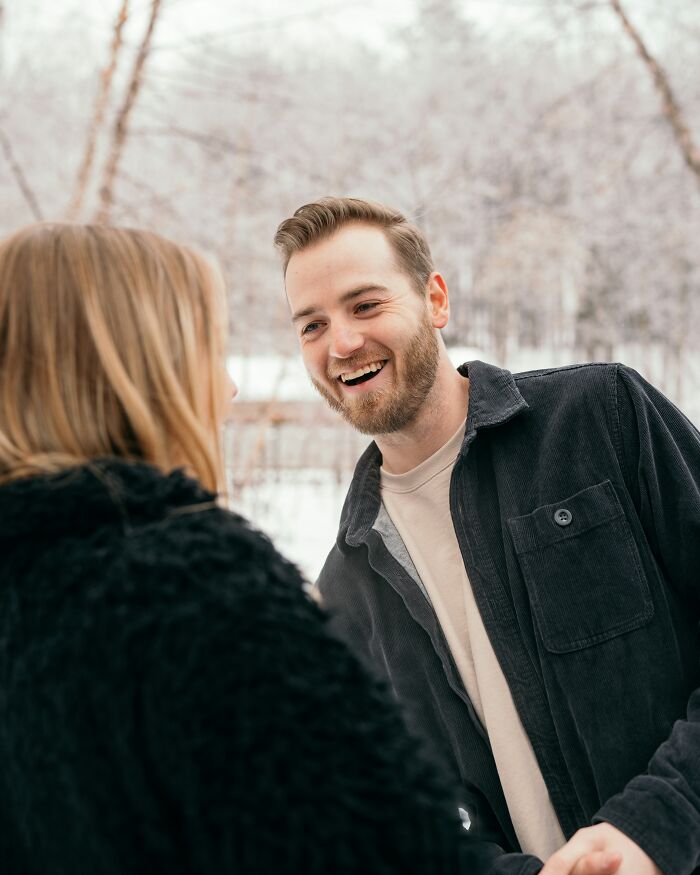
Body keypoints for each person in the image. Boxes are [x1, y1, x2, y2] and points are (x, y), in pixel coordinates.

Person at [0, 221, 483, 875]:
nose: (226, 390)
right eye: (205, 351)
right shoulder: (193, 597)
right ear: (137, 373)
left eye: (366, 304)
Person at [275, 196, 700, 875]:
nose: (341, 343)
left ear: (435, 299)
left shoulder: (600, 418)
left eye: (365, 305)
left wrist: (660, 821)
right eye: (312, 325)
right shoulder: (346, 592)